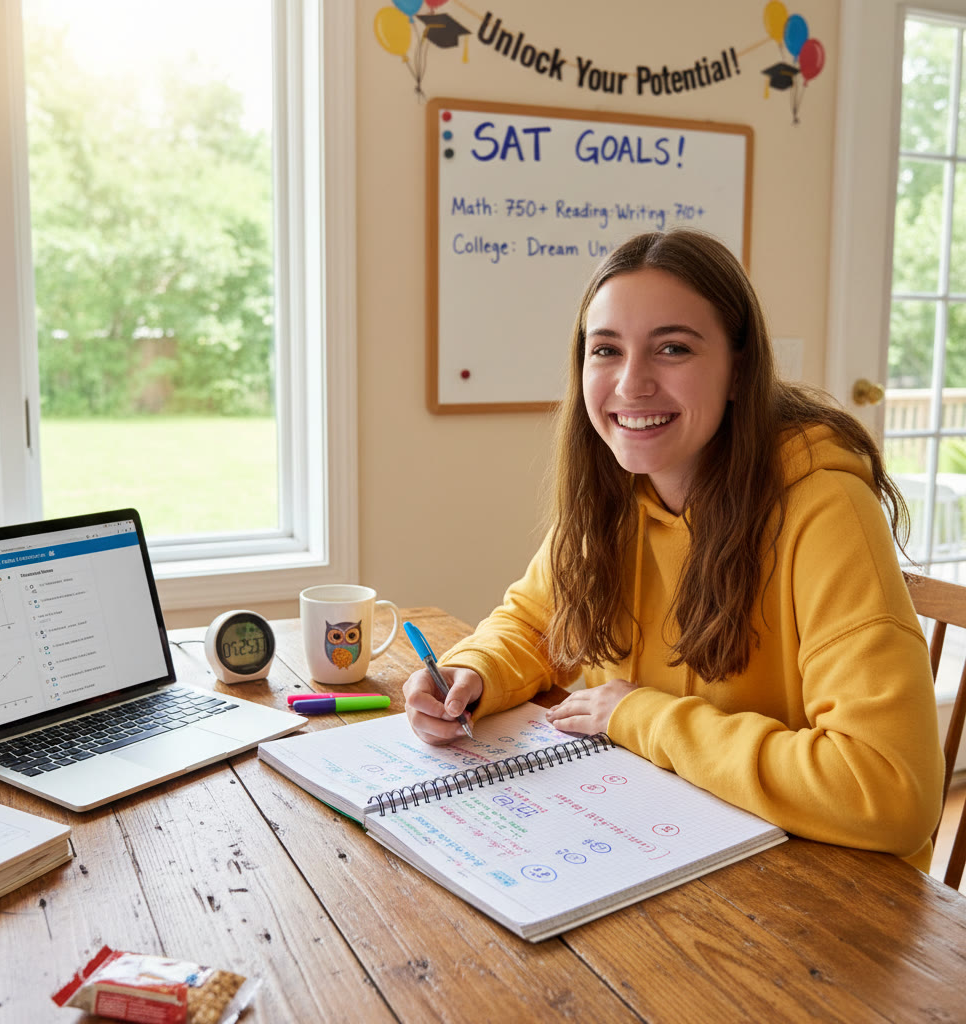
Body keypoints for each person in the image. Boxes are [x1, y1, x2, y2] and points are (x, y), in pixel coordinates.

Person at [403, 229, 945, 871]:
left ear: (740, 369)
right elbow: (532, 623)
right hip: (656, 846)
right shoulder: (609, 495)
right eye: (606, 349)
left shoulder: (825, 511)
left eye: (673, 348)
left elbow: (889, 788)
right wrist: (475, 673)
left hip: (824, 895)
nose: (632, 384)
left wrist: (641, 717)